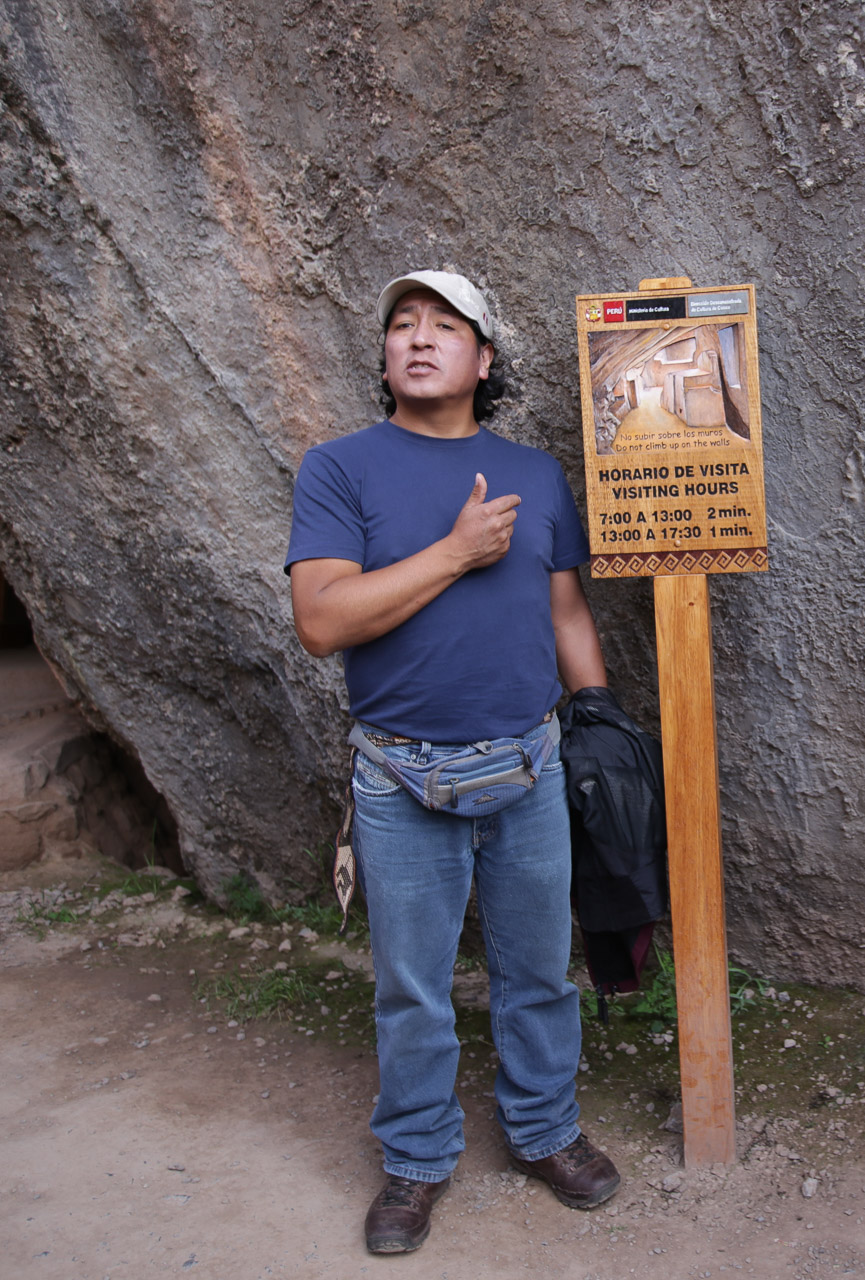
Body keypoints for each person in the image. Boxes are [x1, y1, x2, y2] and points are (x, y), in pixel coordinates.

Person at [285, 269, 620, 1255]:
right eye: (401, 325)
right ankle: (419, 1157)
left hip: (529, 764)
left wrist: (597, 720)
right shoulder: (338, 469)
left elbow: (565, 612)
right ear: (385, 357)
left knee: (538, 970)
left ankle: (547, 1129)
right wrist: (456, 550)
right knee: (413, 982)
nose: (418, 338)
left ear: (484, 360)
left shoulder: (539, 473)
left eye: (445, 325)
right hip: (399, 774)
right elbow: (321, 618)